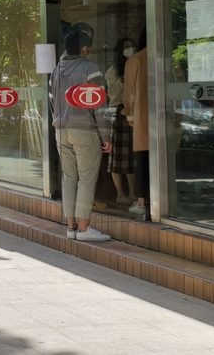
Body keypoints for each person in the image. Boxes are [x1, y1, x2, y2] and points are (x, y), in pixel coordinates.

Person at [52, 32, 112, 241]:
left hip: (61, 130)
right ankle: (85, 229)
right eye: (88, 47)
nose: (89, 51)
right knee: (86, 179)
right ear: (83, 48)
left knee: (69, 178)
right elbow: (100, 104)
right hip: (84, 130)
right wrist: (106, 135)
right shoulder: (90, 68)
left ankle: (71, 227)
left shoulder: (56, 70)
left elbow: (53, 102)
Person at [106, 38, 138, 206]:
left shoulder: (137, 64)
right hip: (119, 112)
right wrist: (124, 79)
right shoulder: (113, 71)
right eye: (126, 47)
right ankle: (120, 193)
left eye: (131, 46)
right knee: (118, 156)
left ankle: (133, 192)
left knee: (132, 155)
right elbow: (113, 94)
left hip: (135, 111)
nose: (130, 49)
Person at [123, 35, 151, 218]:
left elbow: (130, 91)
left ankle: (142, 201)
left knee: (142, 158)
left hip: (143, 117)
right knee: (162, 160)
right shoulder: (166, 57)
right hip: (163, 118)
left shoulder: (136, 60)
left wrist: (130, 113)